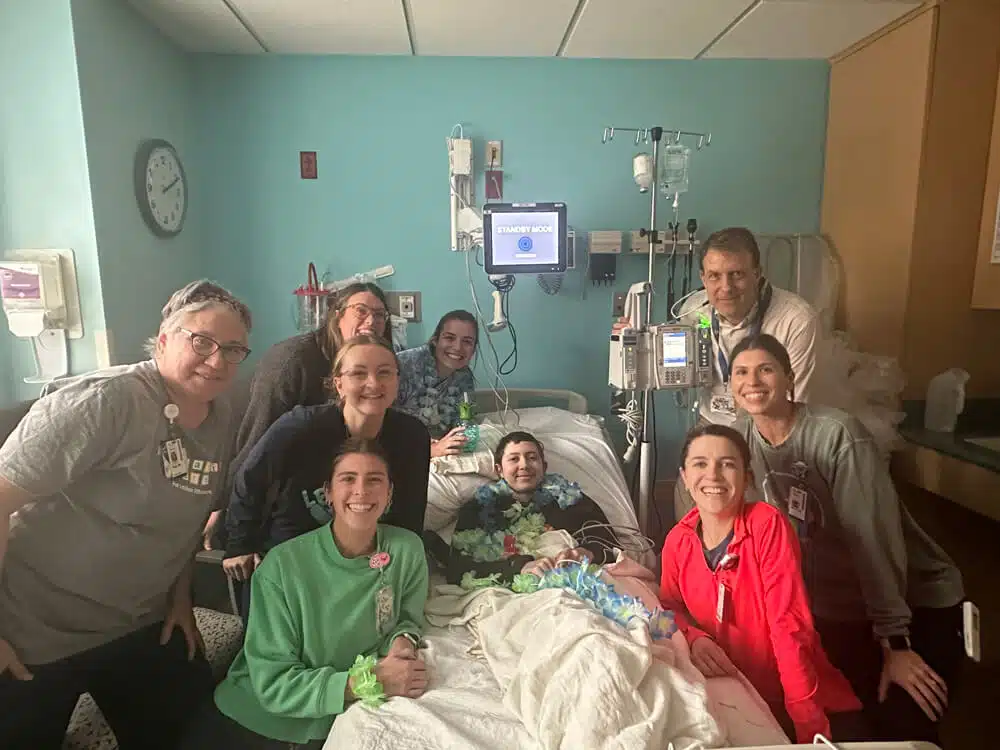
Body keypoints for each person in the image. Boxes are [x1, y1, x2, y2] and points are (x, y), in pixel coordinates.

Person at [0, 280, 252, 749]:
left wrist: (180, 597)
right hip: (34, 631)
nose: (217, 360)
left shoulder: (219, 416)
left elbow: (188, 518)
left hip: (140, 622)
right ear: (163, 340)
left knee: (202, 734)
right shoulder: (104, 402)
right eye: (201, 341)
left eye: (233, 349)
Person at [728, 333, 966, 744]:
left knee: (903, 726)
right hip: (834, 609)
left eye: (765, 369)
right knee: (841, 725)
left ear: (790, 378)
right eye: (741, 372)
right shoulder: (741, 442)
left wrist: (895, 642)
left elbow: (872, 540)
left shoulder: (837, 435)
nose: (753, 381)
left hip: (912, 601)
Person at [183, 438, 429, 749]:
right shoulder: (282, 568)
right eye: (348, 479)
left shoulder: (407, 550)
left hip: (336, 722)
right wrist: (370, 681)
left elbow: (407, 617)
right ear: (327, 493)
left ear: (390, 493)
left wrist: (402, 641)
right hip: (254, 719)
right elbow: (273, 684)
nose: (361, 491)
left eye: (374, 480)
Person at [660, 423, 861, 743]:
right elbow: (666, 611)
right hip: (734, 699)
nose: (712, 475)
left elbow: (789, 627)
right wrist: (694, 637)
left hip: (796, 699)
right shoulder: (678, 542)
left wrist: (809, 728)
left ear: (747, 478)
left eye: (727, 464)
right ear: (684, 477)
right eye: (700, 464)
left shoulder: (766, 526)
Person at [223, 335, 430, 622]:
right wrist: (240, 545)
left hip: (367, 555)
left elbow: (410, 513)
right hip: (296, 553)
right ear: (338, 383)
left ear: (397, 381)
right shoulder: (300, 428)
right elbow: (250, 479)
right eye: (359, 373)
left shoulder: (412, 436)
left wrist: (404, 569)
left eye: (384, 373)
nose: (373, 383)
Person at [623, 228, 820, 520]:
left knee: (757, 510)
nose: (726, 287)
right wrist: (640, 351)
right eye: (715, 276)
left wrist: (739, 454)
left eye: (737, 274)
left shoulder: (794, 319)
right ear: (703, 278)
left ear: (757, 274)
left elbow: (792, 404)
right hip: (712, 422)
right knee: (691, 501)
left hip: (771, 429)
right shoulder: (694, 311)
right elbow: (675, 368)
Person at [204, 283, 391, 547]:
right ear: (337, 315)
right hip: (282, 497)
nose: (371, 321)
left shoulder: (379, 363)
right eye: (361, 311)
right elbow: (257, 441)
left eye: (380, 315)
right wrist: (224, 508)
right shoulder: (292, 361)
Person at [445, 431, 619, 585]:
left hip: (573, 584)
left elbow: (608, 543)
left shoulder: (570, 499)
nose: (524, 465)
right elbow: (457, 569)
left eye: (532, 458)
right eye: (514, 459)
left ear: (544, 467)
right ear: (499, 470)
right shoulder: (479, 508)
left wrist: (586, 552)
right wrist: (519, 567)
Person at [396, 310, 478, 458]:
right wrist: (429, 450)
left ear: (473, 350)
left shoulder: (464, 380)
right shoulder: (403, 365)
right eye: (450, 338)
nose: (457, 347)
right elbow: (380, 428)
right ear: (435, 340)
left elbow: (462, 425)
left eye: (467, 342)